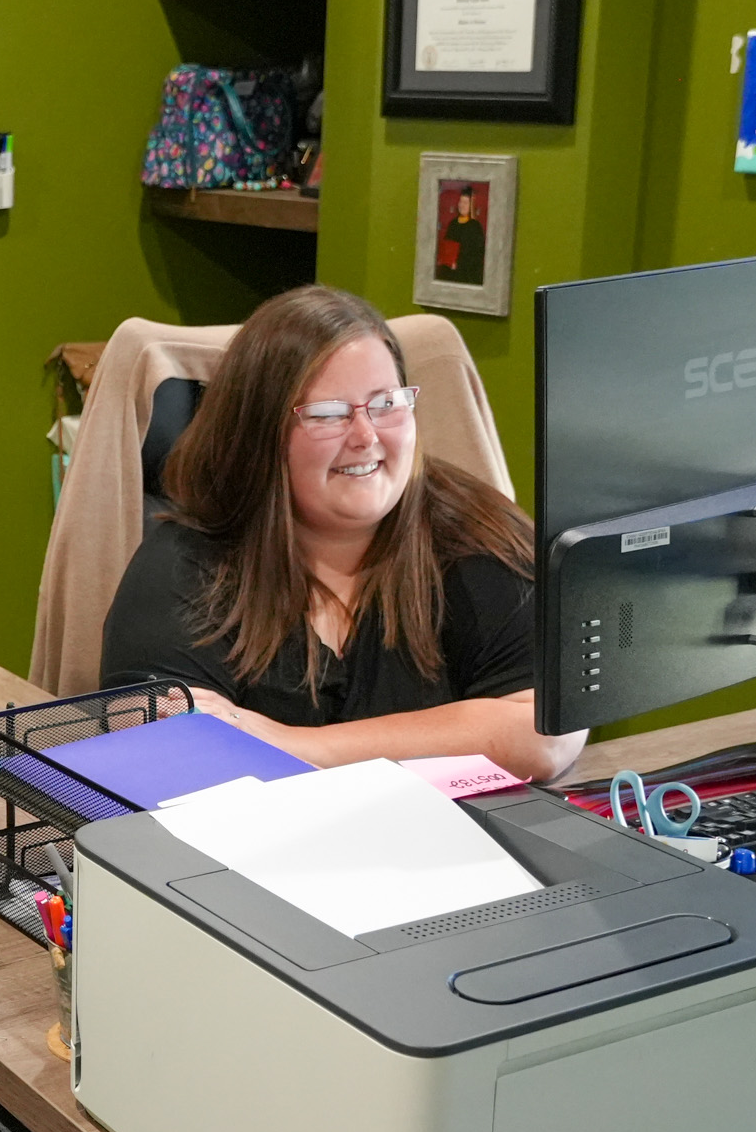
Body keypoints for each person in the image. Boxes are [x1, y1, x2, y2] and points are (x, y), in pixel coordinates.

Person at [100, 285, 585, 781]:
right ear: (258, 433)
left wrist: (290, 743)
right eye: (329, 414)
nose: (366, 437)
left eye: (387, 404)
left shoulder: (475, 534)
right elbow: (162, 763)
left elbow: (549, 732)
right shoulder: (184, 566)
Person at [437, 186, 487, 286]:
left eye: (465, 203)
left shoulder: (475, 226)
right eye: (460, 202)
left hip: (467, 272)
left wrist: (459, 263)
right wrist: (446, 259)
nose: (462, 205)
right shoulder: (453, 223)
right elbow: (447, 244)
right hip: (450, 269)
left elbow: (477, 252)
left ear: (471, 206)